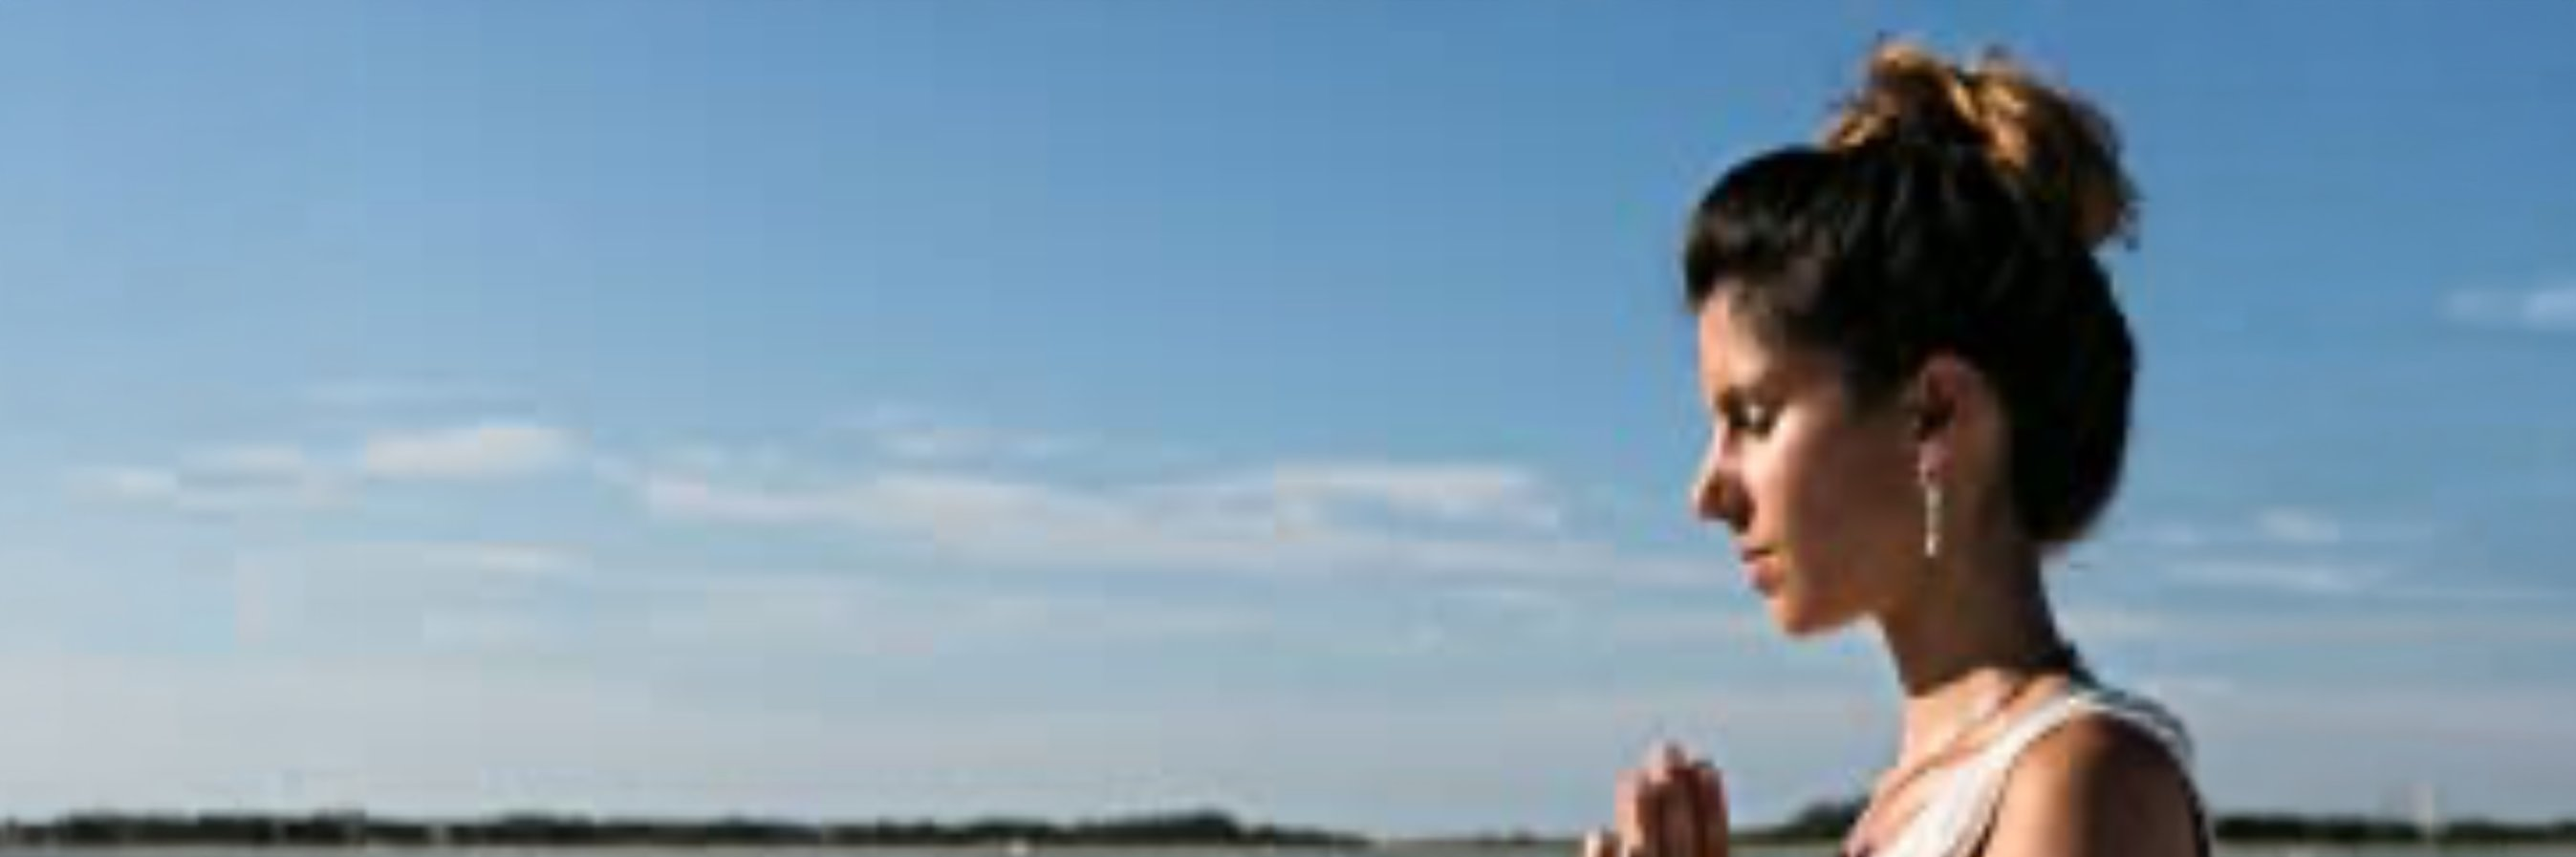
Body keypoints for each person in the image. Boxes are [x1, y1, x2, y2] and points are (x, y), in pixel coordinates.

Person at [1584, 41, 2207, 857]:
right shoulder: (1908, 804)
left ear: (1934, 414)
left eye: (1755, 417)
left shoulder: (2079, 782)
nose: (1707, 490)